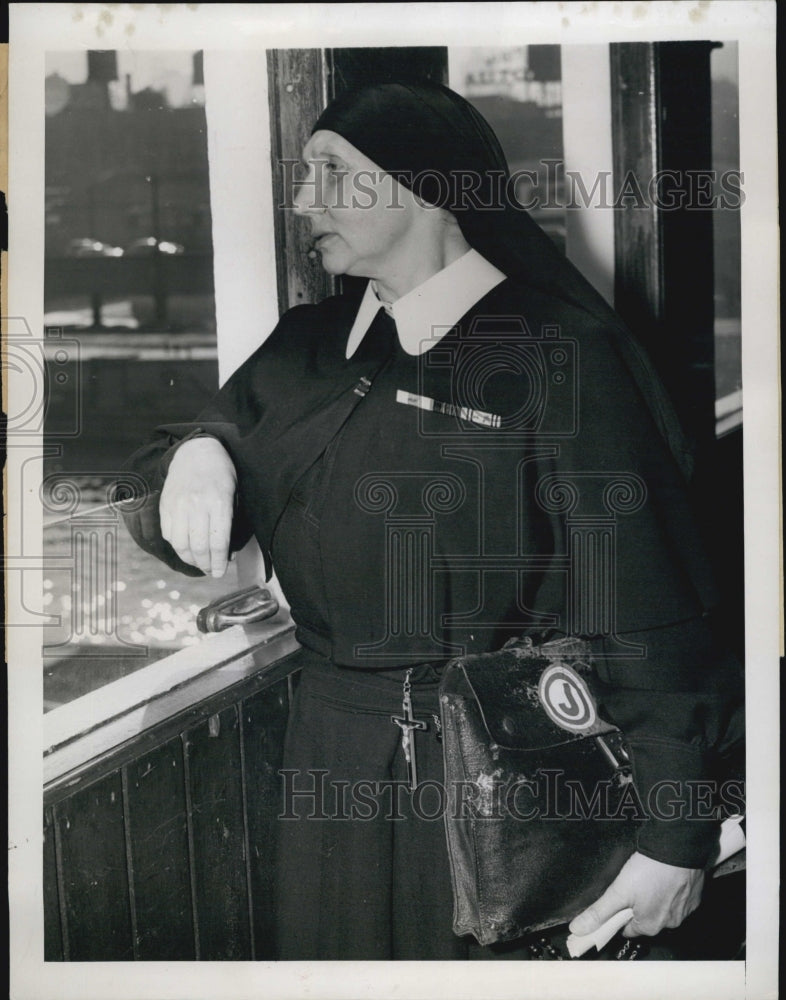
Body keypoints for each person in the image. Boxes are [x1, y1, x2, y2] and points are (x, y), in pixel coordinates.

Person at [123, 80, 742, 960]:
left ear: (424, 185)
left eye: (332, 173)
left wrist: (675, 836)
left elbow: (651, 610)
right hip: (332, 757)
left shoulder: (559, 353)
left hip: (507, 772)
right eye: (305, 175)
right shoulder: (308, 342)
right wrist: (197, 453)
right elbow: (176, 485)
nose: (304, 201)